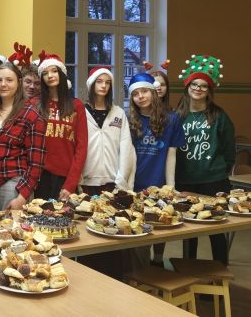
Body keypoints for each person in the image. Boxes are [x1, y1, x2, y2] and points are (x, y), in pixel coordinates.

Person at [175, 54, 235, 265]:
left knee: (216, 230)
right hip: (185, 181)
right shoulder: (178, 116)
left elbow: (229, 149)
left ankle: (221, 270)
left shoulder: (219, 116)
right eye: (194, 84)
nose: (198, 89)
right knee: (188, 230)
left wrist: (218, 170)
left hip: (213, 181)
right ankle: (188, 268)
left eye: (203, 86)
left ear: (209, 90)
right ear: (188, 87)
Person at [127, 72, 185, 266]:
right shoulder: (129, 119)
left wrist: (171, 186)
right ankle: (140, 271)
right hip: (135, 185)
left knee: (161, 225)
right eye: (135, 94)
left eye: (144, 91)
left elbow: (171, 154)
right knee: (139, 231)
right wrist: (127, 185)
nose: (140, 97)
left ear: (153, 92)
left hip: (159, 184)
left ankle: (157, 262)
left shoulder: (172, 119)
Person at [0, 62, 46, 210]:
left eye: (9, 80)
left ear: (19, 82)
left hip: (13, 183)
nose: (3, 84)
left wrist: (22, 196)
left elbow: (36, 163)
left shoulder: (31, 115)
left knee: (10, 224)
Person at [32, 52, 88, 200]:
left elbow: (81, 147)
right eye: (45, 73)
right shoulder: (34, 104)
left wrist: (71, 183)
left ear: (62, 74)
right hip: (39, 177)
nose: (50, 76)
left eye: (54, 71)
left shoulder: (77, 106)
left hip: (66, 178)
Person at [80, 67, 134, 195]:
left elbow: (126, 148)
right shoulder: (81, 112)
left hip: (113, 182)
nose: (104, 85)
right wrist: (77, 179)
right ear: (91, 84)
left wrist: (121, 180)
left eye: (108, 82)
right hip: (85, 182)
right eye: (99, 81)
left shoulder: (118, 113)